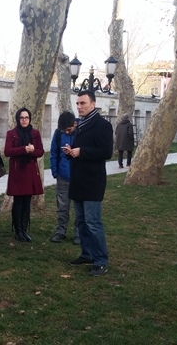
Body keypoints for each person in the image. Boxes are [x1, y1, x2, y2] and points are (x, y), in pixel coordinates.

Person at [64, 90, 113, 277]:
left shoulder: (102, 125)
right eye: (77, 103)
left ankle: (100, 260)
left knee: (93, 222)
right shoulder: (81, 125)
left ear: (93, 104)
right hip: (78, 180)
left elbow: (106, 152)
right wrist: (72, 152)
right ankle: (87, 254)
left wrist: (81, 152)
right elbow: (82, 150)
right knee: (81, 222)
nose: (79, 107)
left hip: (93, 181)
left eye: (82, 103)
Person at [4, 107, 44, 242]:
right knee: (18, 201)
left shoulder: (35, 133)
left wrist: (32, 150)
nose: (24, 120)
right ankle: (18, 231)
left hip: (30, 171)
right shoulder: (12, 133)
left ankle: (24, 229)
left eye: (26, 117)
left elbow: (40, 151)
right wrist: (23, 149)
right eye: (21, 117)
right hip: (17, 171)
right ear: (18, 119)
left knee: (27, 201)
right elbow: (8, 151)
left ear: (30, 119)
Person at [49, 111, 80, 245]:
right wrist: (55, 172)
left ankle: (79, 233)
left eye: (68, 130)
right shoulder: (58, 133)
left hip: (79, 176)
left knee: (79, 207)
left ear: (74, 124)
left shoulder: (82, 131)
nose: (66, 132)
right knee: (62, 206)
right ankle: (60, 231)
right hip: (63, 175)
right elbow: (54, 153)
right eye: (64, 130)